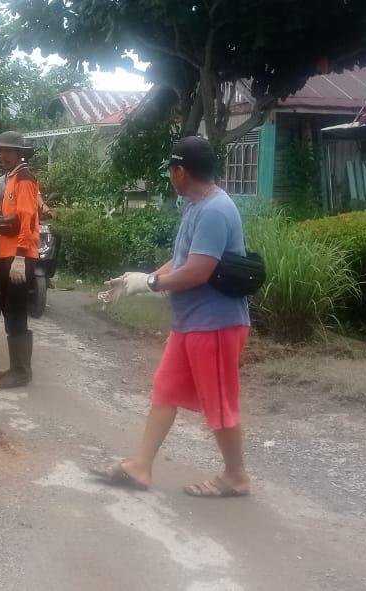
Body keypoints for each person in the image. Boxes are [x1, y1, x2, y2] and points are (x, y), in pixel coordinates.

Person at [92, 136, 253, 498]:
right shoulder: (196, 205)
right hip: (191, 324)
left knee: (219, 402)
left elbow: (197, 272)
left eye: (170, 168)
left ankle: (236, 476)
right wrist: (141, 278)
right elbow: (181, 261)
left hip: (214, 324)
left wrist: (150, 284)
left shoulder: (214, 210)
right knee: (165, 388)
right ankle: (140, 466)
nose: (170, 175)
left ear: (181, 171)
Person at [0, 131, 40, 388]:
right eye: (0, 150)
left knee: (17, 313)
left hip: (19, 256)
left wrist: (20, 257)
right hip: (7, 253)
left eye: (8, 151)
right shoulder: (10, 179)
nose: (2, 155)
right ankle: (17, 369)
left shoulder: (24, 178)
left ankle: (21, 373)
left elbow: (27, 218)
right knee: (10, 312)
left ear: (19, 153)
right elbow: (10, 219)